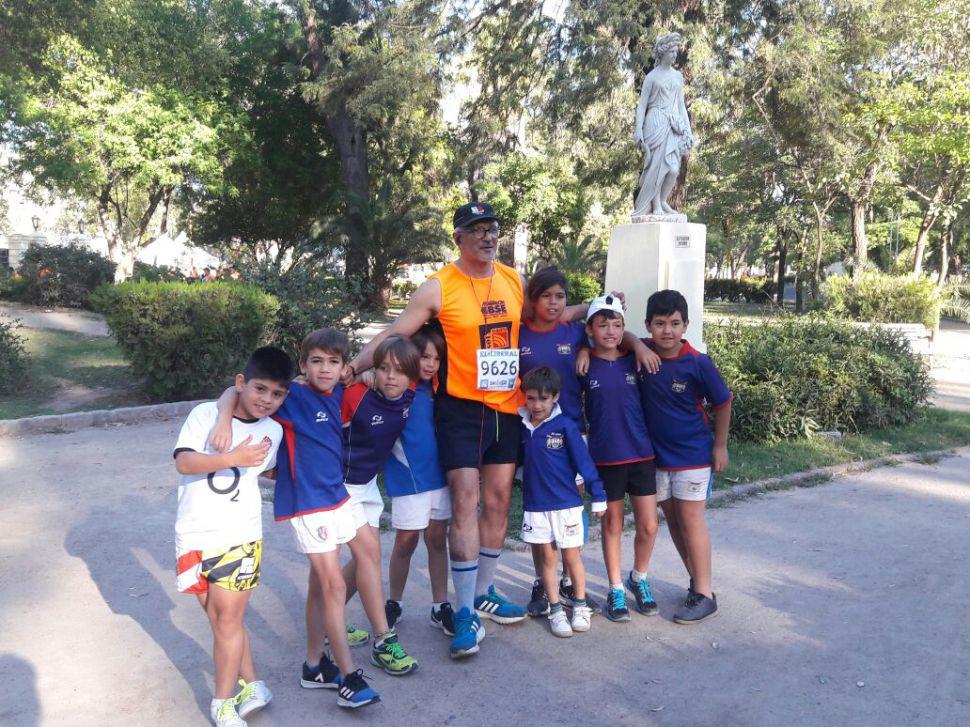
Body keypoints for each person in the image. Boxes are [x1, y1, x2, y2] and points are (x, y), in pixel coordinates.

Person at [211, 329, 414, 709]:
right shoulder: (291, 396)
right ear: (302, 366)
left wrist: (364, 373)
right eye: (316, 361)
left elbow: (362, 373)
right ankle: (349, 678)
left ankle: (313, 665)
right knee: (335, 585)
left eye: (333, 363)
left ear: (342, 368)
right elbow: (233, 392)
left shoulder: (337, 390)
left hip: (335, 497)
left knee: (323, 586)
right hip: (307, 504)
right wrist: (224, 419)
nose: (325, 369)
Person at [519, 267, 660, 616]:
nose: (553, 303)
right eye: (546, 296)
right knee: (541, 507)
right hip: (533, 433)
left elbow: (611, 335)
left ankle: (569, 580)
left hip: (574, 433)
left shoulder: (575, 334)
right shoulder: (518, 333)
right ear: (533, 299)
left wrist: (635, 342)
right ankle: (543, 582)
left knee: (571, 507)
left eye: (560, 297)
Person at [173, 346, 291, 727]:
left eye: (277, 394)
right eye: (260, 389)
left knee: (227, 620)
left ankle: (222, 702)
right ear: (241, 383)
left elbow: (266, 472)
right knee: (218, 618)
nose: (267, 400)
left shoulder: (273, 429)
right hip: (192, 533)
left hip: (239, 535)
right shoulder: (205, 414)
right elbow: (184, 462)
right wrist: (231, 456)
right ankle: (254, 684)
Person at [638, 290, 732, 624]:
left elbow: (723, 402)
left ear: (686, 325)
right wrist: (636, 345)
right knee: (674, 522)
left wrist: (719, 446)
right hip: (656, 459)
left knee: (692, 521)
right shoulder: (643, 352)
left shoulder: (697, 362)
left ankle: (706, 594)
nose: (667, 331)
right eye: (660, 323)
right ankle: (696, 581)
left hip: (693, 457)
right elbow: (615, 337)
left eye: (675, 323)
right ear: (648, 325)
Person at [581, 295, 660, 622]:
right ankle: (615, 588)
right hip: (605, 458)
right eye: (602, 325)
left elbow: (635, 341)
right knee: (612, 524)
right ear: (590, 330)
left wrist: (639, 347)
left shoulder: (634, 358)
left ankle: (638, 578)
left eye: (616, 324)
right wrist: (584, 350)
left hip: (640, 453)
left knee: (649, 524)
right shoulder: (583, 364)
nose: (610, 331)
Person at [518, 367, 606, 637]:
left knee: (571, 556)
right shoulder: (520, 424)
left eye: (543, 399)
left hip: (567, 504)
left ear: (555, 397)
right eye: (531, 398)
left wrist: (599, 495)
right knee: (546, 558)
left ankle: (579, 605)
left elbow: (584, 463)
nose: (536, 405)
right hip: (535, 506)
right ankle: (555, 609)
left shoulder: (566, 426)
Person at [382, 326, 454, 635]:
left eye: (436, 359)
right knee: (405, 543)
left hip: (439, 478)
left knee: (438, 540)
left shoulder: (437, 389)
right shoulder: (397, 389)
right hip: (408, 481)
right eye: (424, 357)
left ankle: (440, 606)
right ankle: (393, 603)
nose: (430, 364)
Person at [632, 32, 694, 217]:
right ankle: (655, 205)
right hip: (655, 121)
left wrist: (688, 130)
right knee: (656, 167)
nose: (675, 55)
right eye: (672, 52)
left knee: (673, 169)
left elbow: (681, 104)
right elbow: (642, 105)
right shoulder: (652, 77)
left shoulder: (678, 77)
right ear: (663, 53)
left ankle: (662, 201)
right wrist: (638, 130)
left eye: (676, 52)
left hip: (672, 124)